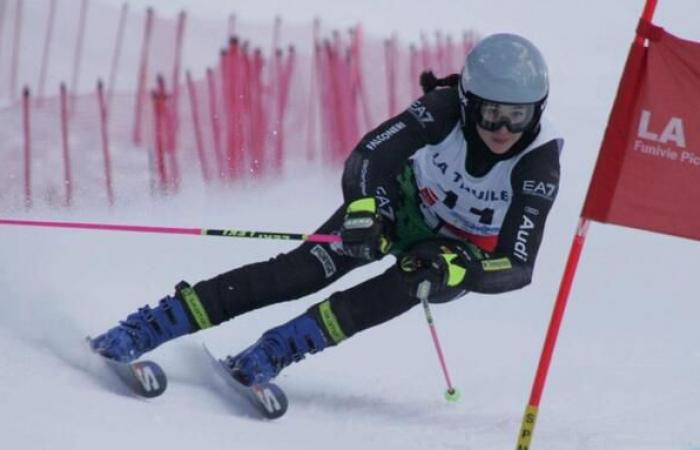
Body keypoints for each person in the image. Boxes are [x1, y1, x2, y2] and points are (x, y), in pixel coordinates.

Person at [91, 33, 563, 387]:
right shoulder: (441, 110)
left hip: (454, 251)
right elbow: (370, 156)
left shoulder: (538, 162)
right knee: (300, 272)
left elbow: (518, 265)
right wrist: (367, 211)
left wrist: (460, 270)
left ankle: (273, 352)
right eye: (491, 113)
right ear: (468, 102)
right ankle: (154, 324)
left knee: (400, 284)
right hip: (400, 203)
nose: (503, 128)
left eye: (518, 115)